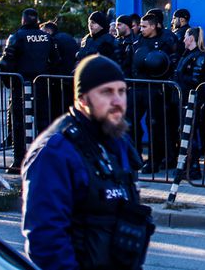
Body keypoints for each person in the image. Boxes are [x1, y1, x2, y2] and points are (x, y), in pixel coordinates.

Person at [22, 55, 153, 270]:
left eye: (121, 91)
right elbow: (45, 241)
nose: (117, 101)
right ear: (82, 99)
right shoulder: (56, 151)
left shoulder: (115, 139)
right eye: (106, 92)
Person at [0, 8, 59, 173]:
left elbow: (5, 62)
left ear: (23, 20)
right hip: (42, 85)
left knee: (19, 124)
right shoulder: (46, 37)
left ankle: (20, 160)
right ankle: (42, 158)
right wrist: (47, 77)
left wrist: (9, 82)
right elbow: (56, 60)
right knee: (43, 122)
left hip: (21, 85)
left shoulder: (17, 37)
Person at [130, 12, 179, 174]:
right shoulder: (137, 41)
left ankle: (154, 160)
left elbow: (170, 63)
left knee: (154, 125)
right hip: (138, 86)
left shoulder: (164, 41)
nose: (141, 29)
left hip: (155, 88)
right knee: (130, 123)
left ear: (153, 26)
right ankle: (134, 157)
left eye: (144, 26)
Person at [173, 27, 205, 181]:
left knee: (190, 134)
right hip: (182, 99)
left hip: (192, 100)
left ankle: (193, 167)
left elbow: (196, 81)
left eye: (185, 37)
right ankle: (185, 167)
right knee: (183, 134)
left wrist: (180, 76)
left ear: (191, 38)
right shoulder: (186, 55)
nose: (183, 40)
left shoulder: (200, 57)